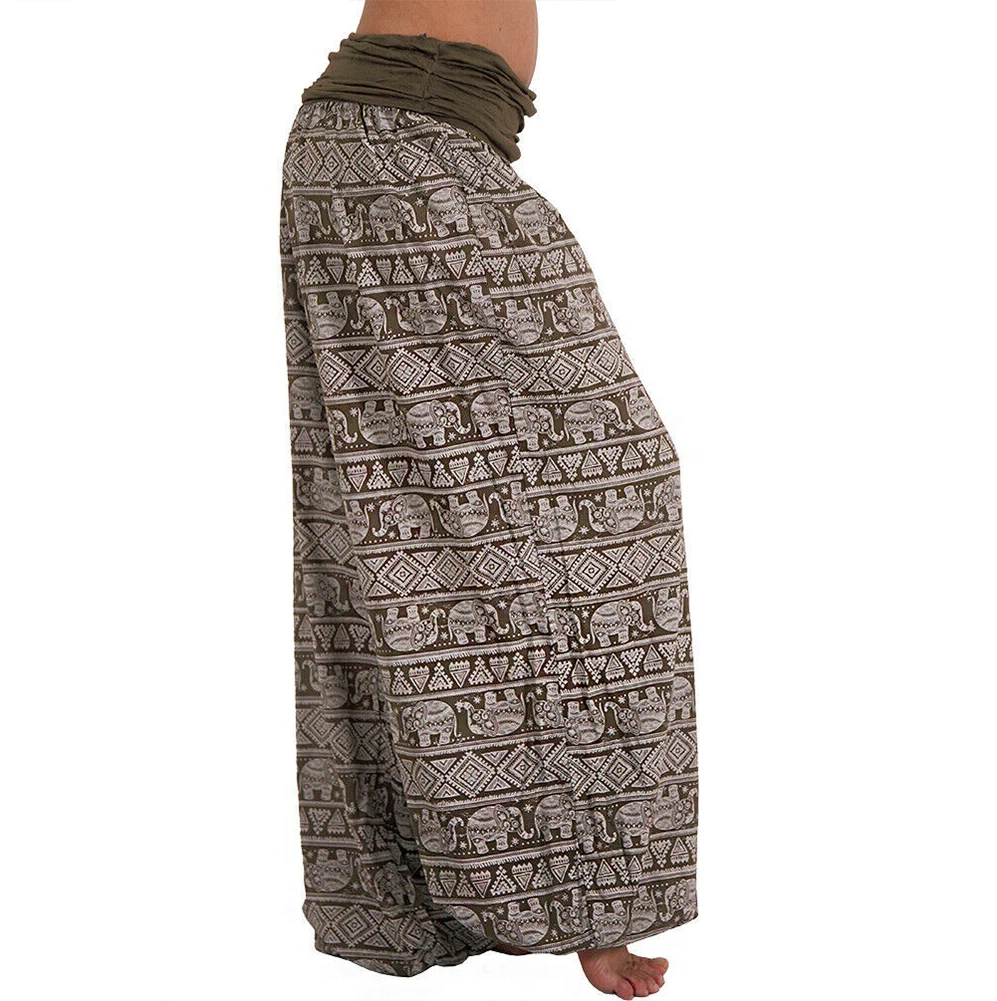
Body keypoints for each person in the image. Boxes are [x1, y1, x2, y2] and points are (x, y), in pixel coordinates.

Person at [278, 3, 697, 998]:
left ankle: (413, 889)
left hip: (397, 145)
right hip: (406, 144)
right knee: (587, 492)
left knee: (397, 509)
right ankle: (579, 896)